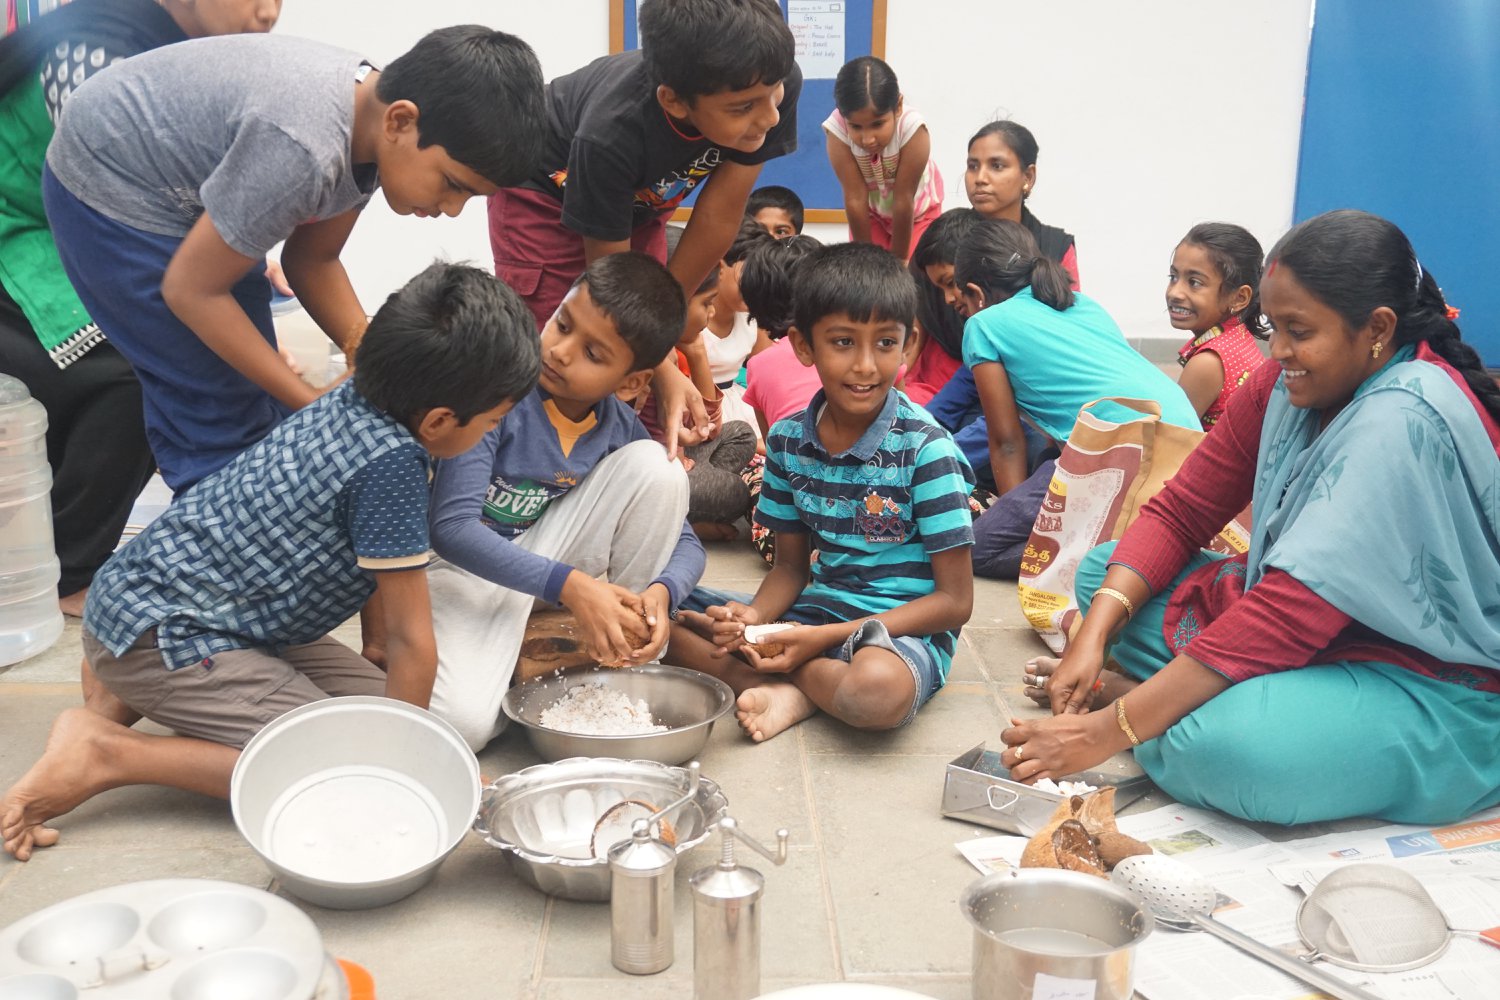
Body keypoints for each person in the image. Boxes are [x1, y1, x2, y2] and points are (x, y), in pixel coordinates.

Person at [0, 262, 540, 861]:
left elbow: (377, 572)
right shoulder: (393, 465)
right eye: (493, 420)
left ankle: (122, 689)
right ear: (439, 421)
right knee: (349, 764)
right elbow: (414, 641)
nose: (494, 430)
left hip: (188, 608)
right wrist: (401, 771)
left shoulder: (357, 393)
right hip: (173, 629)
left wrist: (383, 667)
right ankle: (107, 753)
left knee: (412, 718)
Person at [1008, 210, 1500, 826]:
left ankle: (1161, 705)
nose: (1279, 351)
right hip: (1294, 622)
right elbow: (1184, 510)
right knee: (1104, 574)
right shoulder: (1286, 382)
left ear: (1377, 329)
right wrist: (1091, 639)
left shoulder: (1400, 419)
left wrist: (1107, 731)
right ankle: (1191, 701)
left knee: (1224, 752)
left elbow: (1288, 613)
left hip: (1421, 673)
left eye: (1300, 331)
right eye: (1274, 327)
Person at [41, 25, 546, 494]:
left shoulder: (371, 124)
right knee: (217, 419)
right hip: (112, 187)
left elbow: (313, 260)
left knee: (256, 397)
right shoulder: (306, 148)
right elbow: (190, 291)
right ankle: (204, 553)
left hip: (186, 189)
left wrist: (369, 355)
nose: (452, 209)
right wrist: (309, 401)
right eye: (453, 184)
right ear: (401, 120)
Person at [0, 0, 281, 616]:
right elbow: (118, 202)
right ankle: (69, 566)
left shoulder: (194, 53)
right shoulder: (95, 54)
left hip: (83, 222)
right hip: (24, 226)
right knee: (141, 368)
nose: (269, 13)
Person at [668, 242, 975, 743]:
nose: (865, 365)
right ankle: (798, 682)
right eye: (843, 342)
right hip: (817, 609)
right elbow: (790, 568)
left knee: (875, 693)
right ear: (803, 346)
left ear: (909, 344)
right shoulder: (789, 440)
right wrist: (754, 617)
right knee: (667, 617)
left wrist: (812, 642)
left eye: (885, 343)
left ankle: (785, 679)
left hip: (899, 632)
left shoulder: (926, 449)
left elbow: (955, 602)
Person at [487, 0, 802, 457]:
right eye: (744, 108)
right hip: (543, 194)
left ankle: (652, 471)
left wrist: (662, 347)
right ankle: (533, 477)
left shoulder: (764, 78)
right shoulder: (612, 130)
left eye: (774, 94)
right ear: (673, 100)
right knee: (569, 359)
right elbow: (612, 296)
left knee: (646, 367)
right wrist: (661, 363)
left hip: (639, 206)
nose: (770, 116)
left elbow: (718, 214)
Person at [425, 252, 707, 750]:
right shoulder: (497, 394)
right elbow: (451, 529)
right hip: (458, 572)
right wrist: (571, 586)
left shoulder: (618, 425)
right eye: (562, 324)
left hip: (545, 567)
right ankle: (526, 647)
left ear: (631, 383)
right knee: (462, 728)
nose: (559, 351)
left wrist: (662, 593)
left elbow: (686, 542)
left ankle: (621, 651)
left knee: (659, 469)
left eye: (592, 353)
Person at [955, 220, 1199, 579]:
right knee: (1045, 454)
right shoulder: (1082, 303)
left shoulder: (984, 324)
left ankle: (1123, 554)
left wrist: (1013, 518)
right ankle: (1139, 539)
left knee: (977, 551)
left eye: (961, 303)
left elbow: (1006, 442)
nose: (961, 311)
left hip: (1125, 454)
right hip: (1187, 445)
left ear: (976, 294)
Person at [739, 233, 823, 564]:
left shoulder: (758, 365)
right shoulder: (847, 348)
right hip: (871, 499)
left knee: (757, 472)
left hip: (798, 510)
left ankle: (809, 554)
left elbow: (774, 447)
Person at [823, 56, 942, 261]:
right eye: (856, 127)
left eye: (877, 124)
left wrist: (900, 262)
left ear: (898, 106)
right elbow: (855, 198)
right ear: (843, 116)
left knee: (914, 273)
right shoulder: (837, 131)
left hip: (918, 214)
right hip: (872, 215)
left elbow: (903, 199)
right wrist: (867, 261)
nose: (867, 139)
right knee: (867, 270)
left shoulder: (913, 129)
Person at [1168, 222, 1269, 427]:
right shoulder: (1237, 337)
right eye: (1173, 277)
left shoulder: (1208, 362)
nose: (1174, 292)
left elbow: (1170, 434)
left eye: (1194, 282)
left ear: (1239, 298)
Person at [964, 121, 1078, 288]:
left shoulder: (1055, 247)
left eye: (997, 166)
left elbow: (1070, 304)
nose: (980, 178)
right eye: (973, 166)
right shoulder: (947, 241)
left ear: (1028, 177)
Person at [701, 216, 774, 435]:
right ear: (720, 267)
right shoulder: (693, 320)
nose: (755, 286)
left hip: (739, 408)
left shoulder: (752, 318)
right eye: (748, 275)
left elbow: (766, 374)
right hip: (701, 410)